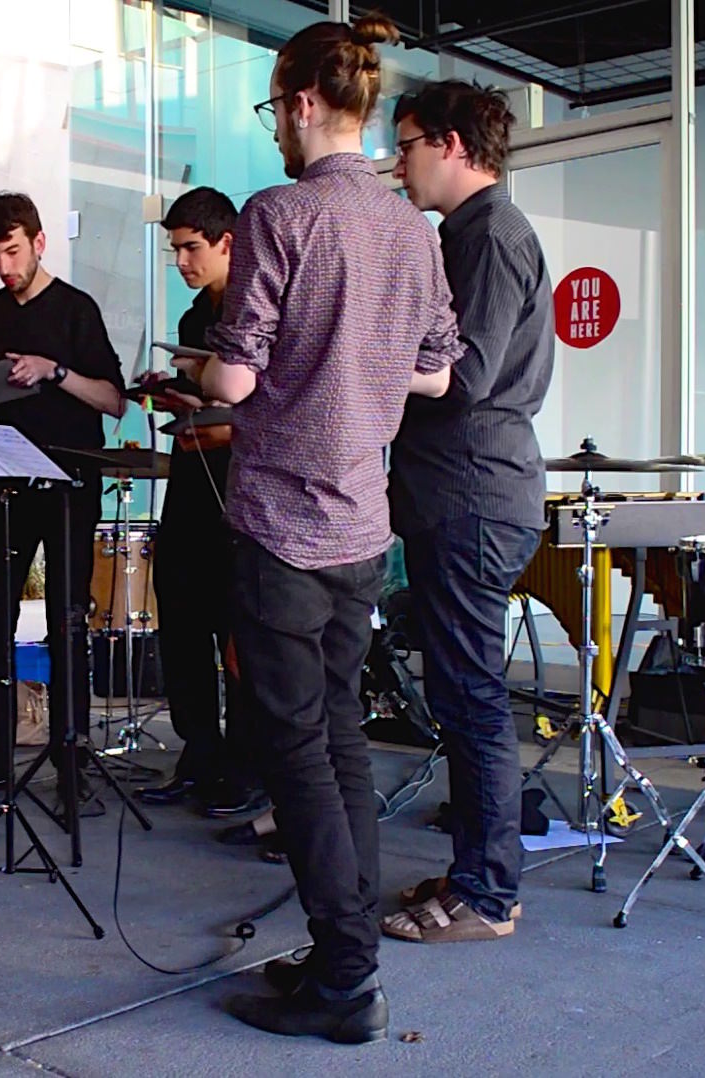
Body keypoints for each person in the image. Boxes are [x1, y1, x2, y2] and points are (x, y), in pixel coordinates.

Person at [173, 16, 463, 1044]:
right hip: (359, 530)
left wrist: (216, 372)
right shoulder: (406, 228)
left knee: (293, 754)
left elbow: (236, 374)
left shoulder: (279, 213)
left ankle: (343, 980)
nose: (274, 130)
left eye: (272, 110)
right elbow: (435, 370)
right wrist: (359, 366)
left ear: (301, 106)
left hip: (283, 527)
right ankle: (346, 954)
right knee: (338, 741)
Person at [380, 80, 553, 944]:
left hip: (474, 493)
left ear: (451, 144)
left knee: (475, 698)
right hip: (462, 491)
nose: (397, 163)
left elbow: (465, 372)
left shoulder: (489, 235)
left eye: (406, 144)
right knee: (462, 692)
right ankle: (478, 872)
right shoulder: (470, 234)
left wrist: (357, 358)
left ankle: (487, 898)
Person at [0, 192, 127, 802]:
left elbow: (115, 401)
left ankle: (72, 761)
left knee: (69, 622)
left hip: (70, 482)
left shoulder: (76, 309)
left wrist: (55, 371)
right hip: (9, 482)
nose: (4, 267)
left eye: (12, 252)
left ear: (39, 242)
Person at [135, 187, 264, 820]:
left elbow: (274, 405)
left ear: (227, 242)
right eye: (175, 249)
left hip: (242, 483)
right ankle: (198, 751)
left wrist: (220, 418)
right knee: (181, 621)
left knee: (237, 629)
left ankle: (246, 764)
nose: (183, 261)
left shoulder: (260, 308)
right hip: (190, 480)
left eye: (192, 247)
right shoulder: (192, 319)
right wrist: (170, 392)